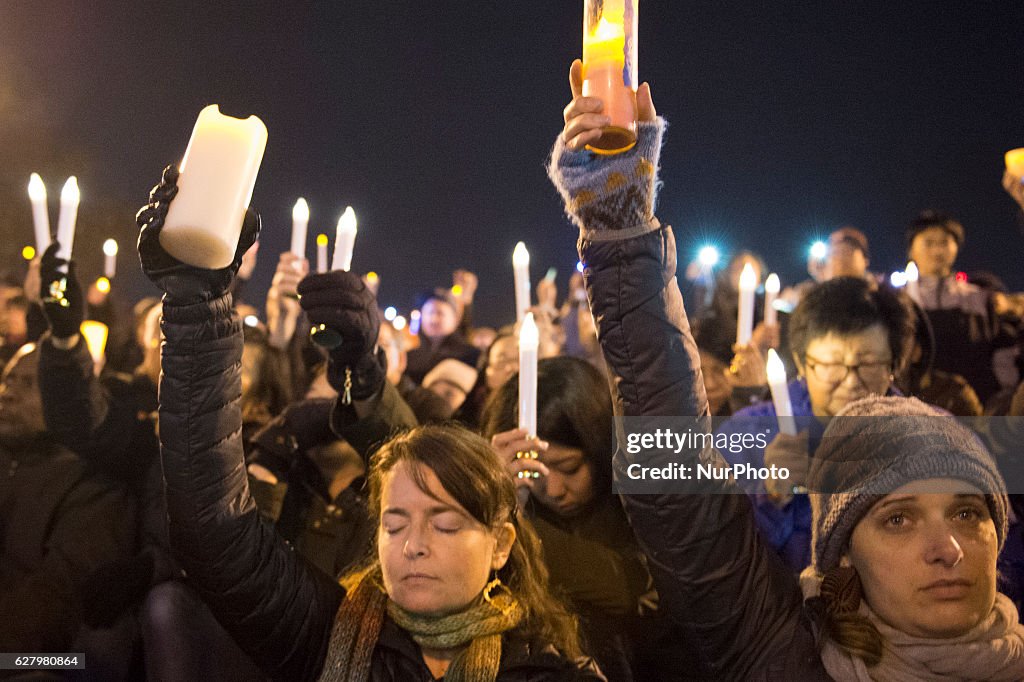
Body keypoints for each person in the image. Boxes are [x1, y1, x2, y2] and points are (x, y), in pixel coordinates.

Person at [549, 60, 1024, 679]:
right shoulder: (754, 437)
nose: (948, 550)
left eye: (968, 513)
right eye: (897, 518)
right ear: (844, 558)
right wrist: (616, 219)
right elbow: (669, 471)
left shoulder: (944, 422)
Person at [136, 164, 603, 681]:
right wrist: (198, 306)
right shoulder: (328, 632)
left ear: (500, 543)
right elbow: (214, 528)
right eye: (393, 523)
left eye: (445, 524)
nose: (412, 545)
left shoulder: (547, 672)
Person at [482, 356, 659, 681]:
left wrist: (515, 529)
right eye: (535, 471)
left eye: (570, 468)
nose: (553, 489)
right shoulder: (514, 500)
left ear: (601, 448)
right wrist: (482, 494)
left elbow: (629, 587)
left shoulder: (642, 500)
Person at [906, 209, 1019, 403]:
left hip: (976, 412)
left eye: (944, 242)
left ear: (956, 247)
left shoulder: (981, 300)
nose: (937, 250)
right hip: (915, 409)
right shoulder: (900, 303)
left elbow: (1003, 353)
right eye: (929, 242)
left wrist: (1001, 399)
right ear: (911, 250)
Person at [406, 288, 480, 385]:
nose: (433, 319)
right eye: (429, 313)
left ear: (455, 319)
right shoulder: (410, 356)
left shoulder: (470, 356)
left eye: (440, 313)